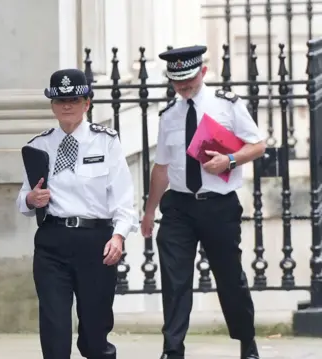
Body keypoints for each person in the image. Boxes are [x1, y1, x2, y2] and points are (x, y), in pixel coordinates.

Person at [140, 45, 266, 359]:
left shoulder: (227, 105)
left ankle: (246, 341)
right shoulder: (169, 115)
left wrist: (231, 160)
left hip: (219, 206)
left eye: (190, 82)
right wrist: (149, 209)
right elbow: (162, 167)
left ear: (204, 73)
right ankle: (173, 349)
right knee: (174, 279)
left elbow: (259, 145)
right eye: (178, 83)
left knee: (229, 278)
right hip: (179, 207)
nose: (184, 88)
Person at [16, 68, 139, 359]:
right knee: (54, 326)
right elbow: (22, 201)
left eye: (74, 99)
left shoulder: (106, 142)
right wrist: (32, 199)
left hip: (95, 241)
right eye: (60, 101)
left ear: (87, 103)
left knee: (94, 333)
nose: (67, 106)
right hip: (52, 242)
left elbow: (124, 199)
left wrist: (119, 237)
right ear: (52, 106)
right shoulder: (38, 145)